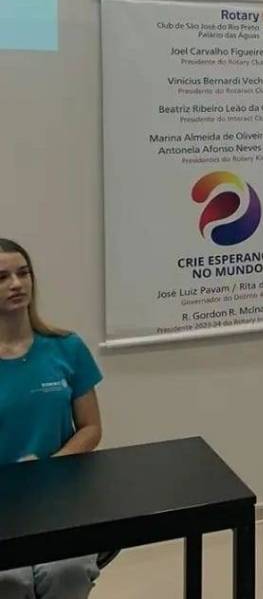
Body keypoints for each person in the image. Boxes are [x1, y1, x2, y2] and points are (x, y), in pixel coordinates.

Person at [0, 238, 104, 599]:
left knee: (66, 571)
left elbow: (91, 428)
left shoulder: (67, 347)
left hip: (57, 495)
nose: (16, 284)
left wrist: (48, 468)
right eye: (2, 277)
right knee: (11, 579)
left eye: (23, 273)